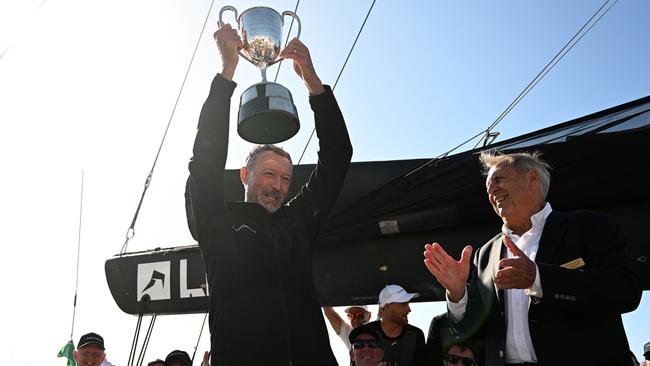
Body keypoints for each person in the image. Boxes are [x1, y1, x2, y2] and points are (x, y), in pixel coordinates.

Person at [186, 23, 353, 366]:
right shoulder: (216, 222)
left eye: (285, 179)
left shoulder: (298, 223)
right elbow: (205, 161)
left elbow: (337, 157)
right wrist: (227, 72)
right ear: (245, 175)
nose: (278, 186)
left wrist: (312, 82)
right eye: (269, 175)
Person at [423, 151, 642, 365]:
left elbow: (626, 291)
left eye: (498, 179)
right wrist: (458, 294)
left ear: (531, 178)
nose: (492, 191)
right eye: (488, 188)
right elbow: (477, 331)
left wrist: (539, 279)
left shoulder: (589, 227)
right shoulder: (485, 254)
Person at [354, 284, 426, 366]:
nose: (409, 309)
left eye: (408, 304)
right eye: (403, 304)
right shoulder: (363, 333)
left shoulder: (416, 334)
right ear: (387, 306)